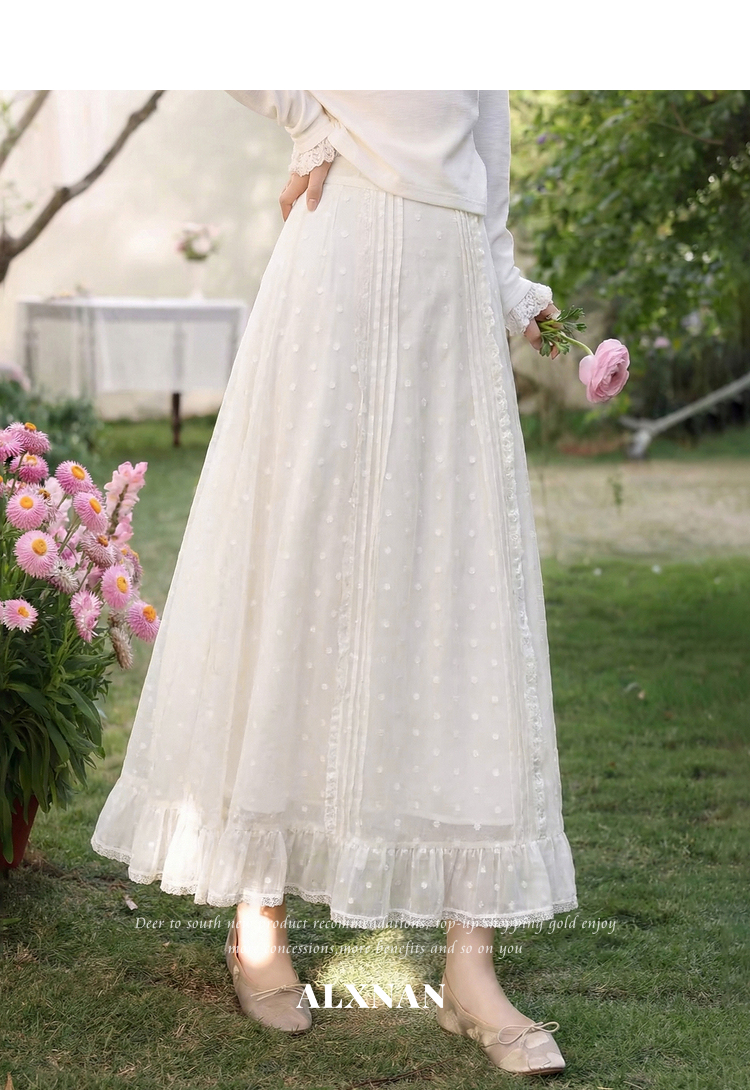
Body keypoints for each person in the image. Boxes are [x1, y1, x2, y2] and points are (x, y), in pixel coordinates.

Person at [90, 90, 578, 1077]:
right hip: (337, 276)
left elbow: (486, 180)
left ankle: (471, 968)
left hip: (449, 310)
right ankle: (258, 915)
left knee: (464, 606)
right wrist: (310, 123)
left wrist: (513, 293)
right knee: (298, 580)